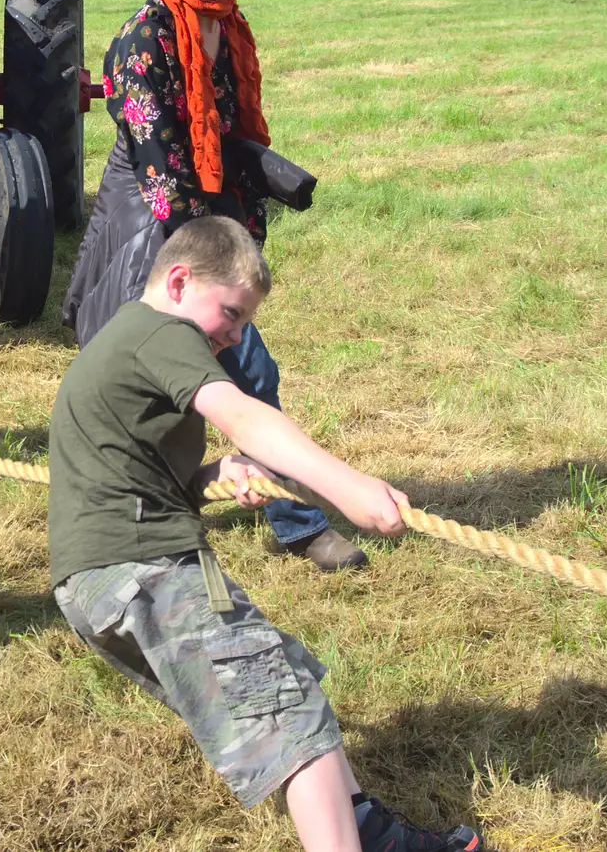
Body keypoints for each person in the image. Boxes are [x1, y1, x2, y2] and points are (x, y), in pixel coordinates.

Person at [51, 217, 483, 852]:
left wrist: (212, 474)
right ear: (177, 282)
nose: (235, 334)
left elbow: (130, 477)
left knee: (280, 685)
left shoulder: (126, 345)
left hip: (101, 581)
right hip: (148, 571)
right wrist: (349, 486)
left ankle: (366, 828)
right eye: (231, 312)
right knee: (284, 716)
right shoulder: (159, 331)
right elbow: (244, 414)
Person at [61, 0, 363, 572]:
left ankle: (280, 514)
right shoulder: (144, 39)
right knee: (222, 373)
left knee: (236, 375)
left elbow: (222, 134)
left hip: (207, 228)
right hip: (158, 241)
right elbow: (163, 175)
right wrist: (225, 260)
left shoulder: (226, 26)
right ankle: (295, 520)